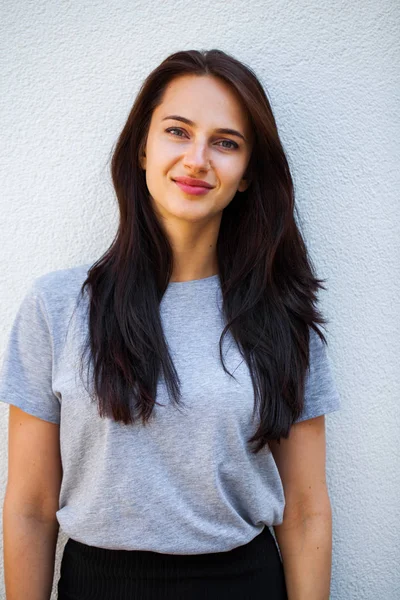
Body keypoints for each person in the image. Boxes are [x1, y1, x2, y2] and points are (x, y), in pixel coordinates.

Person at [0, 49, 341, 600]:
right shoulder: (57, 306)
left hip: (243, 584)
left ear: (249, 174)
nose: (198, 159)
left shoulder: (282, 314)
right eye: (177, 132)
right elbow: (31, 508)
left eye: (225, 142)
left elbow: (304, 513)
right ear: (142, 147)